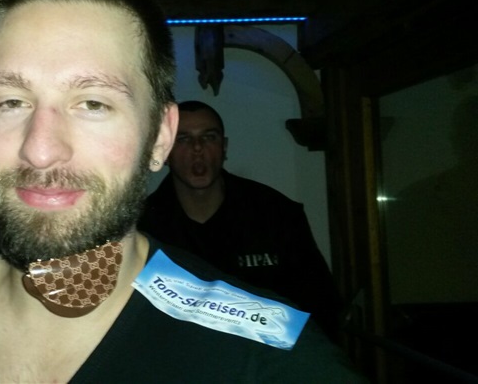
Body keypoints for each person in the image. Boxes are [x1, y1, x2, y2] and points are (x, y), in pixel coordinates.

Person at [0, 0, 365, 382]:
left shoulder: (270, 360)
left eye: (93, 103)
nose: (40, 150)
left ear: (159, 137)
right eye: (12, 102)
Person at [138, 100, 344, 340]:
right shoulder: (141, 226)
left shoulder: (276, 214)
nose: (197, 148)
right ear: (164, 152)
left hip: (267, 359)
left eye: (209, 137)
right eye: (183, 139)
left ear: (224, 147)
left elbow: (320, 308)